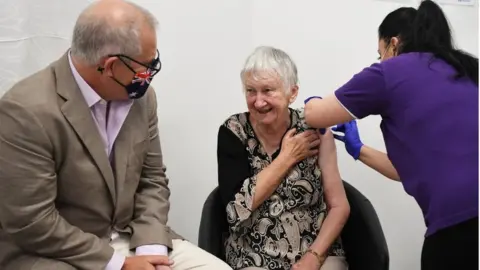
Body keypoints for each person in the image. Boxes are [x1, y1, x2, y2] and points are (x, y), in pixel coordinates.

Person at [0, 1, 232, 270]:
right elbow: (32, 221)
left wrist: (151, 249)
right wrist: (118, 264)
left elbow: (152, 179)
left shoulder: (142, 100)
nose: (149, 76)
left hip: (130, 236)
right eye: (145, 67)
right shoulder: (25, 111)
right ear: (110, 66)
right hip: (57, 251)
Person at [303, 1, 478, 270]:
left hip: (459, 230)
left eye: (379, 53)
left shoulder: (390, 72)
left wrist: (311, 103)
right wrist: (358, 149)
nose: (380, 60)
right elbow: (406, 170)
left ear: (393, 44)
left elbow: (315, 115)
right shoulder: (466, 68)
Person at [216, 46, 350, 270]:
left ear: (293, 92)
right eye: (251, 91)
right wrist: (286, 157)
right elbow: (234, 211)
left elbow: (339, 206)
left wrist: (314, 257)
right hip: (253, 254)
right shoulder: (234, 131)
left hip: (316, 251)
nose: (258, 102)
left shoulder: (315, 129)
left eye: (268, 90)